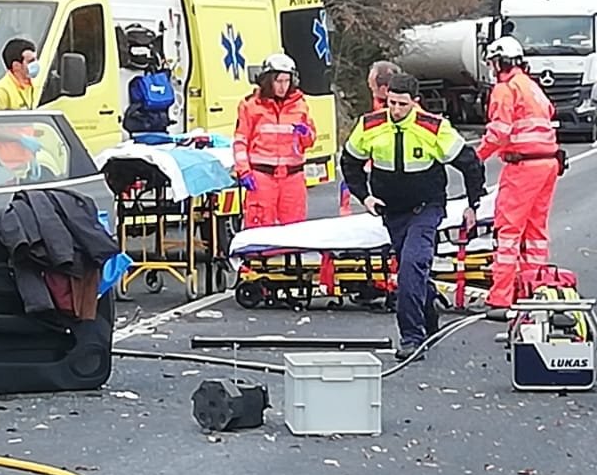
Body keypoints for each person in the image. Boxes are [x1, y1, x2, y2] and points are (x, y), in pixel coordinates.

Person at [342, 73, 485, 360]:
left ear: (415, 103)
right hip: (392, 211)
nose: (395, 110)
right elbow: (350, 162)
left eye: (402, 104)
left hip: (426, 208)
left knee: (411, 266)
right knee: (415, 273)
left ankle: (411, 338)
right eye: (391, 103)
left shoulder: (433, 128)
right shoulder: (370, 125)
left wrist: (473, 204)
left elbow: (470, 164)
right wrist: (364, 197)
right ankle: (428, 314)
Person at [476, 35, 562, 319]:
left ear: (499, 62)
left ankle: (501, 299)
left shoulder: (505, 89)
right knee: (536, 233)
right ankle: (533, 291)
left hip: (523, 166)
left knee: (508, 232)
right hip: (547, 163)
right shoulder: (532, 87)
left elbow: (499, 132)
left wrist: (476, 158)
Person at [233, 51, 316, 228]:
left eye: (287, 81)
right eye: (278, 81)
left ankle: (293, 257)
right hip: (262, 177)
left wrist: (305, 133)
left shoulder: (300, 105)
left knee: (295, 231)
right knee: (259, 230)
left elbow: (309, 141)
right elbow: (240, 141)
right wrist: (244, 171)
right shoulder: (250, 106)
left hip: (292, 177)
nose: (283, 86)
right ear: (268, 80)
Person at [0, 37, 41, 111]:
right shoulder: (1, 91)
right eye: (31, 61)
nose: (36, 63)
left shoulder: (34, 85)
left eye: (36, 59)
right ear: (16, 66)